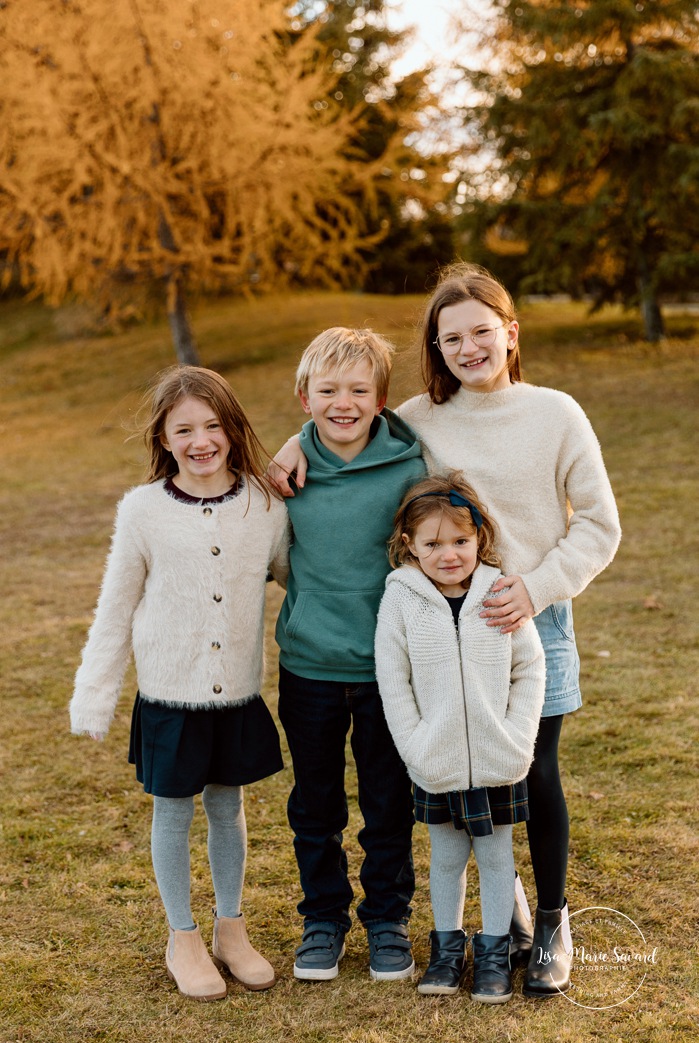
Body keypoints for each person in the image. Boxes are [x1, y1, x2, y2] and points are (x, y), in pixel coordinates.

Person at [269, 264, 622, 996]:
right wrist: (291, 446)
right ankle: (507, 910)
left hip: (533, 618)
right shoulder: (419, 420)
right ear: (436, 345)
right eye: (450, 337)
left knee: (533, 772)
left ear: (509, 334)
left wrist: (536, 587)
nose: (468, 348)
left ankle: (551, 923)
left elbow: (597, 523)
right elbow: (345, 422)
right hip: (446, 629)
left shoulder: (556, 412)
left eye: (481, 333)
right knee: (468, 770)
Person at [70, 366, 289, 1002]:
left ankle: (230, 926)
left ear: (233, 430)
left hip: (238, 693)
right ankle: (182, 935)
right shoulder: (142, 512)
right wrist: (95, 692)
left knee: (228, 806)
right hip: (170, 696)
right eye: (184, 429)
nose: (201, 440)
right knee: (174, 813)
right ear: (163, 438)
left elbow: (289, 573)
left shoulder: (264, 504)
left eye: (214, 425)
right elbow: (116, 606)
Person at [275, 327, 426, 982]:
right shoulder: (283, 473)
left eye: (358, 390)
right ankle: (323, 918)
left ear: (381, 397)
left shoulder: (410, 465)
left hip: (386, 668)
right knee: (315, 802)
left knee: (387, 798)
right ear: (304, 397)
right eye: (328, 390)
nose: (344, 402)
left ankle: (388, 917)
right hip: (307, 664)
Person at [374, 472, 545, 1002]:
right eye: (433, 544)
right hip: (437, 761)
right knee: (446, 859)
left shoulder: (499, 591)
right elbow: (393, 679)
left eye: (460, 542)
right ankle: (447, 952)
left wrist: (517, 738)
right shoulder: (402, 600)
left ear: (479, 540)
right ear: (410, 546)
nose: (449, 554)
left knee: (497, 859)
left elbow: (530, 668)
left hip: (499, 759)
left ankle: (494, 953)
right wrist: (417, 746)